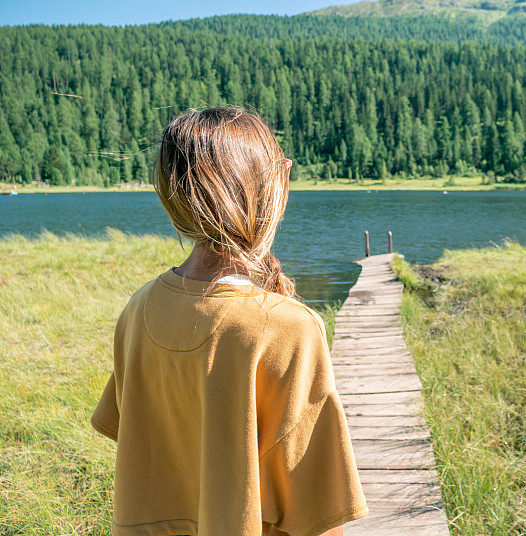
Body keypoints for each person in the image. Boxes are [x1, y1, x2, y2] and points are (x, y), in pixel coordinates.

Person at [90, 107, 368, 536]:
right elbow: (317, 511)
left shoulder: (139, 309)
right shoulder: (288, 328)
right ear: (268, 194)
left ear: (172, 196)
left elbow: (129, 431)